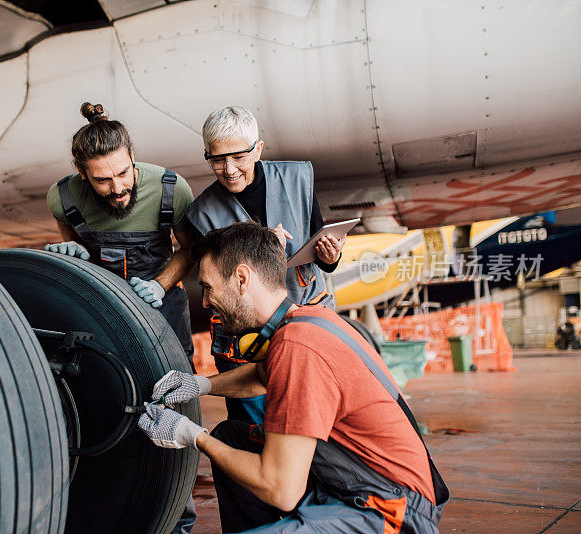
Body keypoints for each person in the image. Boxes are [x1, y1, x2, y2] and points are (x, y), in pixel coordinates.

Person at [138, 222, 448, 533]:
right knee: (231, 437)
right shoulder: (309, 318)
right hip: (370, 478)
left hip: (391, 508)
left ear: (242, 279)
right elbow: (261, 374)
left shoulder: (296, 346)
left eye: (208, 287)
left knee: (242, 459)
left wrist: (194, 436)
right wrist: (200, 384)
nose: (205, 302)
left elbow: (281, 490)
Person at [46, 103, 198, 533]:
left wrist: (162, 284)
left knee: (172, 409)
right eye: (102, 180)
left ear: (133, 157)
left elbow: (189, 250)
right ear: (82, 175)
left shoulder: (172, 188)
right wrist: (70, 254)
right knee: (106, 406)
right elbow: (73, 243)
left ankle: (178, 521)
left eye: (124, 173)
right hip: (102, 312)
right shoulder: (62, 197)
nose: (116, 188)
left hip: (161, 311)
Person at [185, 105, 344, 425]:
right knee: (254, 432)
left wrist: (331, 257)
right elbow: (217, 279)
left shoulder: (298, 178)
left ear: (258, 149)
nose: (229, 169)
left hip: (304, 317)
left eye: (238, 157)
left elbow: (320, 251)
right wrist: (260, 245)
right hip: (245, 336)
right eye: (217, 159)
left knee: (317, 421)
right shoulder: (201, 213)